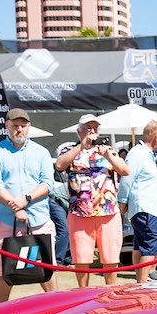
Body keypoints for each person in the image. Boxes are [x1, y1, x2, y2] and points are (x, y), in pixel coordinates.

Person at [0, 108, 58, 303]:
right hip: (7, 220)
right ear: (6, 125)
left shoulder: (41, 152)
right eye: (15, 125)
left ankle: (55, 308)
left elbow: (48, 183)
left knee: (47, 268)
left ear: (29, 127)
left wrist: (25, 200)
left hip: (39, 219)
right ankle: (0, 312)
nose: (19, 130)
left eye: (23, 126)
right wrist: (17, 208)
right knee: (5, 270)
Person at [55, 114, 130, 287]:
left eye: (95, 128)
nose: (92, 132)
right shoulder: (70, 150)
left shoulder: (108, 150)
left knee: (110, 256)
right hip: (79, 211)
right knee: (81, 256)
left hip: (107, 211)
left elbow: (125, 170)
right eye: (88, 128)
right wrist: (81, 148)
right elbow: (59, 165)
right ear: (79, 131)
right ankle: (83, 292)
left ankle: (111, 290)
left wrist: (110, 156)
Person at [121, 120, 157, 281]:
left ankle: (139, 282)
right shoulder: (138, 153)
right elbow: (127, 178)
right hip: (146, 208)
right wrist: (122, 201)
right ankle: (142, 284)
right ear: (156, 136)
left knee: (141, 246)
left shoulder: (148, 154)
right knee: (150, 248)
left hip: (148, 208)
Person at [49, 142, 74, 265]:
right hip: (55, 200)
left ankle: (68, 258)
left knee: (69, 229)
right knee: (63, 230)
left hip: (62, 201)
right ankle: (58, 260)